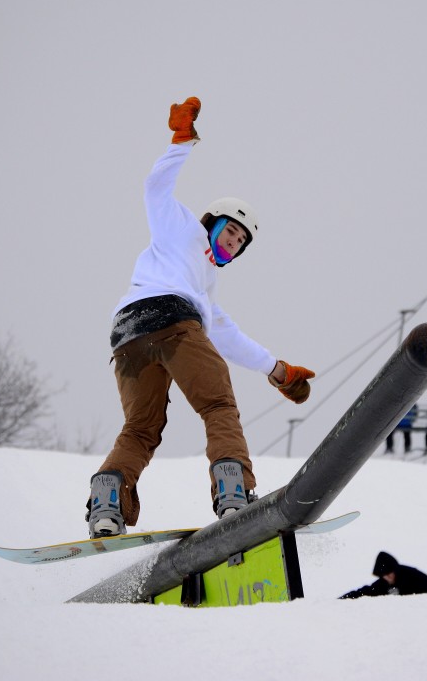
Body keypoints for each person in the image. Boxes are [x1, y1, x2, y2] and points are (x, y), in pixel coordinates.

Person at [86, 96, 315, 538]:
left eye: (240, 243)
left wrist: (278, 370)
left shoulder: (205, 288)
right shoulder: (182, 228)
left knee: (141, 427)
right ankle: (232, 495)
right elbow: (155, 188)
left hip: (128, 334)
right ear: (211, 222)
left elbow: (226, 335)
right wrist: (180, 142)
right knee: (218, 405)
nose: (232, 243)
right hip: (169, 317)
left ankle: (106, 503)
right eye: (230, 231)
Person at [340, 551, 427, 598]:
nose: (388, 577)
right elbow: (366, 591)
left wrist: (404, 592)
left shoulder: (410, 574)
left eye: (389, 573)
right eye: (384, 575)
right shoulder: (383, 583)